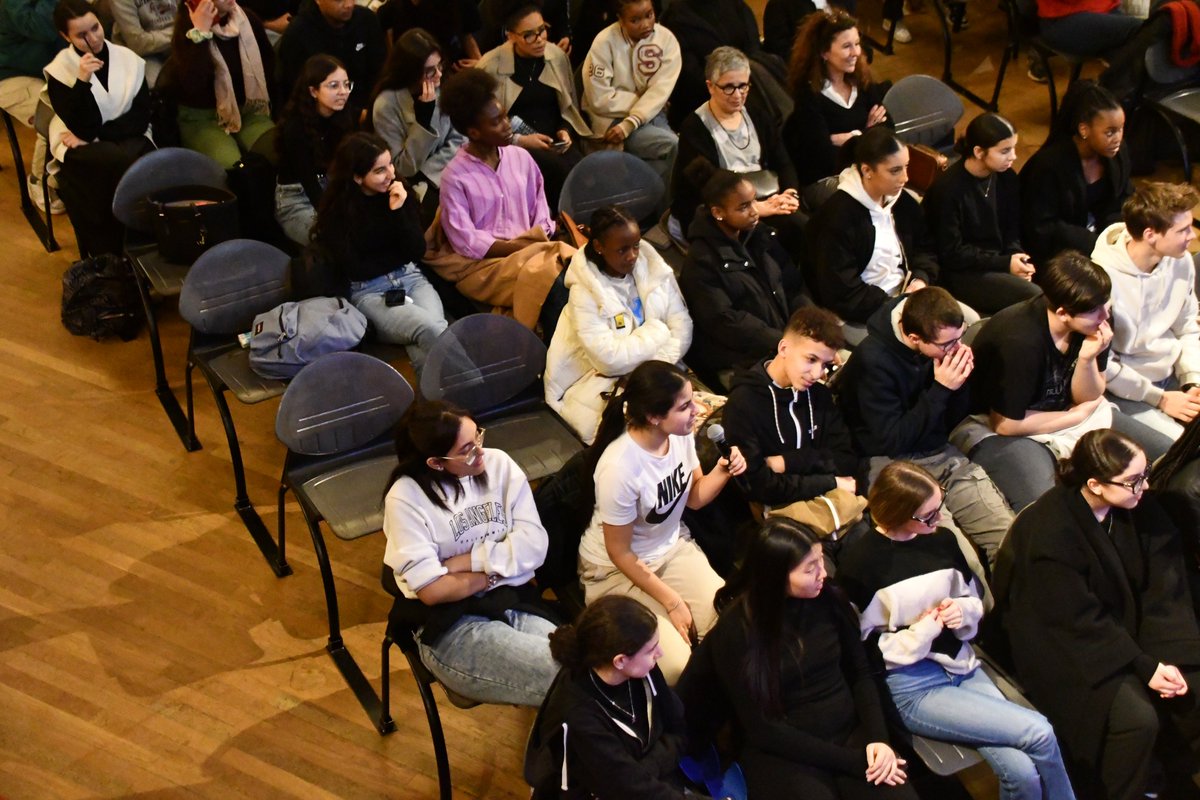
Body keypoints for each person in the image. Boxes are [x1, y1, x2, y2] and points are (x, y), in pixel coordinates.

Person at [838, 461, 1076, 800]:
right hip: (912, 685)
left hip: (962, 665)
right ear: (897, 513)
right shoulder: (860, 566)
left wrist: (962, 610)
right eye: (928, 515)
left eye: (939, 507)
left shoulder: (942, 540)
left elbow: (972, 597)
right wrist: (920, 634)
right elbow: (862, 651)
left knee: (1021, 772)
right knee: (1039, 732)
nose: (937, 520)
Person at [992, 429, 1200, 800]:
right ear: (1096, 484)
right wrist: (1144, 665)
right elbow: (1074, 620)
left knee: (1193, 684)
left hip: (1126, 629)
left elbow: (1163, 587)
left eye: (1146, 473)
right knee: (1135, 721)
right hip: (1069, 646)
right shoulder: (1049, 533)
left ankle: (1169, 781)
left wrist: (1172, 654)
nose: (1146, 487)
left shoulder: (1139, 506)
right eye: (1134, 481)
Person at [677, 518, 917, 799]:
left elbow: (861, 674)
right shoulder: (737, 630)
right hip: (786, 751)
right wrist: (852, 762)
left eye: (820, 560)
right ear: (776, 576)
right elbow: (763, 729)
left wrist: (879, 740)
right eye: (810, 568)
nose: (823, 573)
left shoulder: (828, 598)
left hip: (850, 732)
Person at [962, 251, 1174, 512]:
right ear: (1063, 313)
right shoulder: (1019, 340)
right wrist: (1076, 417)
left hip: (1069, 411)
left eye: (1106, 307)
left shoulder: (1097, 322)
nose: (1104, 318)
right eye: (1096, 311)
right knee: (1048, 506)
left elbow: (1088, 398)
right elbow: (1005, 424)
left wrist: (1087, 359)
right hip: (1004, 427)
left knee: (1169, 457)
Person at [578, 359, 747, 684]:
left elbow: (694, 496)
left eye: (692, 398)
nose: (697, 409)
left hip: (671, 548)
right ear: (654, 416)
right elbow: (620, 553)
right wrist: (673, 601)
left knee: (732, 626)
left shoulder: (679, 435)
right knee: (676, 666)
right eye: (685, 406)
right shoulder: (620, 469)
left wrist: (723, 471)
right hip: (614, 572)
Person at [382, 401, 559, 706]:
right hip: (449, 626)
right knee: (568, 678)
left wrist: (465, 564)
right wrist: (499, 570)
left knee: (582, 664)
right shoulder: (406, 497)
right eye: (466, 449)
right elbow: (434, 591)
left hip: (512, 603)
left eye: (478, 436)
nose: (480, 451)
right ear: (436, 463)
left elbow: (535, 545)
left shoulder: (499, 464)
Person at [836, 287, 1012, 564]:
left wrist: (960, 382)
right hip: (892, 463)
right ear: (914, 337)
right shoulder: (872, 362)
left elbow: (951, 419)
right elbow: (891, 440)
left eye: (959, 337)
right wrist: (941, 389)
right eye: (946, 345)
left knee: (1010, 541)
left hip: (940, 451)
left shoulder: (941, 346)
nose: (955, 348)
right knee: (961, 561)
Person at [424, 67, 574, 331]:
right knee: (553, 281)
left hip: (533, 251)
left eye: (505, 116)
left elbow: (541, 213)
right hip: (483, 268)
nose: (507, 126)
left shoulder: (521, 157)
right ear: (474, 132)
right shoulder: (454, 177)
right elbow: (466, 242)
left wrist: (534, 242)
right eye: (496, 122)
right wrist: (523, 248)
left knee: (569, 276)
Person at [545, 205, 693, 444]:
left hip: (655, 374)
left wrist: (654, 369)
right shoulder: (584, 292)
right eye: (622, 249)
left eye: (635, 245)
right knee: (651, 437)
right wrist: (658, 330)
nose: (633, 255)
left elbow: (683, 327)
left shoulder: (651, 266)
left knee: (692, 425)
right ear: (599, 247)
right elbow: (609, 360)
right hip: (595, 383)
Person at [526, 595, 693, 798]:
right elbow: (625, 790)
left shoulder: (641, 668)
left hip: (640, 783)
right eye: (651, 650)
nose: (660, 653)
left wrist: (639, 773)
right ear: (620, 661)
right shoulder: (580, 716)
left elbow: (677, 730)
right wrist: (636, 777)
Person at [311, 132, 447, 372]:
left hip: (411, 278)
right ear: (357, 177)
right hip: (369, 293)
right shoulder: (338, 213)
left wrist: (399, 212)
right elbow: (357, 269)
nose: (391, 174)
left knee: (430, 331)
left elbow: (417, 250)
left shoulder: (399, 193)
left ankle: (435, 403)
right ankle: (477, 388)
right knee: (432, 329)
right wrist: (400, 255)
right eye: (379, 170)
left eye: (390, 164)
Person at [679, 166, 811, 386]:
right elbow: (727, 322)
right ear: (718, 213)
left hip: (785, 342)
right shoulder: (701, 262)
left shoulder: (760, 234)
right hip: (743, 359)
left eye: (753, 201)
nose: (754, 211)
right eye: (743, 207)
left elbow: (792, 285)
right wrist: (784, 343)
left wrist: (807, 327)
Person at [1091, 181, 1200, 443]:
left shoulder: (1180, 260)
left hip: (1173, 373)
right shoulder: (1101, 281)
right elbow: (1103, 365)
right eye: (1183, 229)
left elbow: (1187, 327)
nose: (1193, 236)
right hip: (1127, 389)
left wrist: (1192, 379)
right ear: (1151, 235)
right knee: (1180, 450)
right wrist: (1159, 398)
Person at [44, 0, 155, 257]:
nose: (93, 38)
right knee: (112, 162)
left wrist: (95, 136)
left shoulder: (128, 59)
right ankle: (109, 250)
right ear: (65, 36)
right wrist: (82, 81)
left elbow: (139, 118)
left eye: (95, 28)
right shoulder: (61, 71)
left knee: (127, 158)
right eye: (81, 35)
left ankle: (138, 243)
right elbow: (79, 124)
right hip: (75, 142)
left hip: (122, 135)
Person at [721, 306, 860, 510]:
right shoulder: (744, 403)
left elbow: (846, 460)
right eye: (811, 359)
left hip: (829, 502)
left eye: (825, 364)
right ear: (783, 348)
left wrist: (786, 462)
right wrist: (830, 481)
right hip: (781, 513)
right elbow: (758, 486)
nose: (816, 373)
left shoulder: (819, 395)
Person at [671, 46, 802, 246]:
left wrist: (789, 194)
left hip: (763, 198)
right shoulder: (695, 127)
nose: (738, 94)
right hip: (723, 208)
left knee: (806, 228)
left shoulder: (758, 116)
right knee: (775, 239)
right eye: (728, 87)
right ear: (710, 86)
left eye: (743, 86)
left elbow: (783, 162)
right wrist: (754, 208)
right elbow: (707, 187)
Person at [808, 127, 937, 328]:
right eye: (895, 170)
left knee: (967, 323)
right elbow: (842, 292)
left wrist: (921, 279)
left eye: (906, 167)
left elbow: (926, 248)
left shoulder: (903, 202)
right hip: (866, 313)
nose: (905, 178)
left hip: (908, 299)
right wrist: (897, 306)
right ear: (867, 170)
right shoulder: (837, 217)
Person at [922, 112, 1043, 315]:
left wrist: (1016, 257)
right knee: (1034, 298)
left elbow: (1012, 228)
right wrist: (1005, 264)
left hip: (996, 260)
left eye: (1013, 148)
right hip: (963, 272)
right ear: (979, 152)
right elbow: (952, 253)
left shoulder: (1007, 178)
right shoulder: (948, 189)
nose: (1013, 156)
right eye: (1005, 151)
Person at [476, 3, 589, 209]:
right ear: (510, 36)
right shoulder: (489, 65)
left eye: (542, 30)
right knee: (557, 171)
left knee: (585, 171)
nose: (540, 40)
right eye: (529, 35)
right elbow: (482, 123)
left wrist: (565, 129)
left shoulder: (556, 56)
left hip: (554, 139)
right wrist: (521, 140)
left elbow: (568, 105)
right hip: (511, 143)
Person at [1020, 80, 1132, 266]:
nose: (1118, 138)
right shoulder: (1048, 167)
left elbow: (1121, 198)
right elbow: (1042, 228)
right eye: (1110, 132)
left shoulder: (1116, 154)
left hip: (1099, 241)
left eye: (1121, 129)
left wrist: (1116, 235)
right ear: (1084, 129)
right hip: (1058, 253)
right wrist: (1095, 245)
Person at [783, 9, 889, 193]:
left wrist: (849, 138)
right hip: (825, 180)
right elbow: (825, 157)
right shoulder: (808, 94)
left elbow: (888, 131)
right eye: (846, 46)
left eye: (857, 44)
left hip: (866, 172)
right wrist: (867, 132)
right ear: (824, 52)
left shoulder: (862, 81)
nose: (856, 52)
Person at [581, 0, 681, 192]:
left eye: (649, 15)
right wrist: (645, 103)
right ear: (620, 19)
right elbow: (599, 98)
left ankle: (659, 211)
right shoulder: (604, 42)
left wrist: (640, 113)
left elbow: (661, 89)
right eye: (635, 20)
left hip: (650, 116)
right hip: (612, 121)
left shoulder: (666, 39)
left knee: (665, 166)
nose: (645, 24)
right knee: (673, 146)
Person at [370, 27, 466, 223]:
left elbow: (461, 138)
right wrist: (422, 122)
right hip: (411, 185)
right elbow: (402, 168)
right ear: (409, 72)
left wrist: (431, 172)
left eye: (440, 65)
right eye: (430, 71)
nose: (439, 74)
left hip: (445, 172)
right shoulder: (386, 104)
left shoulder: (443, 86)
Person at [166, 0, 273, 169]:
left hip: (248, 110)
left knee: (277, 153)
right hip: (203, 118)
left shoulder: (246, 20)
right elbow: (192, 85)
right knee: (231, 167)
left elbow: (269, 67)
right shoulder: (188, 29)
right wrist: (200, 33)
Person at [273, 54, 354, 246]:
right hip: (296, 199)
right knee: (337, 241)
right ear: (313, 91)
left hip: (331, 191)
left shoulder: (342, 116)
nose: (343, 92)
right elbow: (309, 183)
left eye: (346, 84)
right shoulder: (295, 128)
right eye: (334, 86)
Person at [659, 0, 776, 130]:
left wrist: (741, 85)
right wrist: (728, 89)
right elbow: (689, 77)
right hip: (704, 108)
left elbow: (754, 52)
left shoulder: (737, 6)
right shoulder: (675, 17)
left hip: (749, 95)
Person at [0, 0, 65, 213]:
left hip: (48, 69)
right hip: (10, 75)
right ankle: (40, 179)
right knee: (57, 113)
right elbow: (42, 28)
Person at [276, 0, 385, 116]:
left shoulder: (367, 20)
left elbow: (379, 72)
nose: (349, 4)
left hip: (368, 109)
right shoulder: (298, 34)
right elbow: (299, 94)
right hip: (321, 116)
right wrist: (355, 115)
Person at [376, 0, 480, 69]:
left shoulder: (459, 4)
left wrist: (480, 64)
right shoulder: (393, 8)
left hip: (453, 69)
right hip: (414, 76)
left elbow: (468, 37)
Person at [109, 0, 174, 86]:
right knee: (156, 86)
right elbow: (138, 44)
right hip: (145, 54)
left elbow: (191, 18)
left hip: (177, 38)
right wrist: (177, 33)